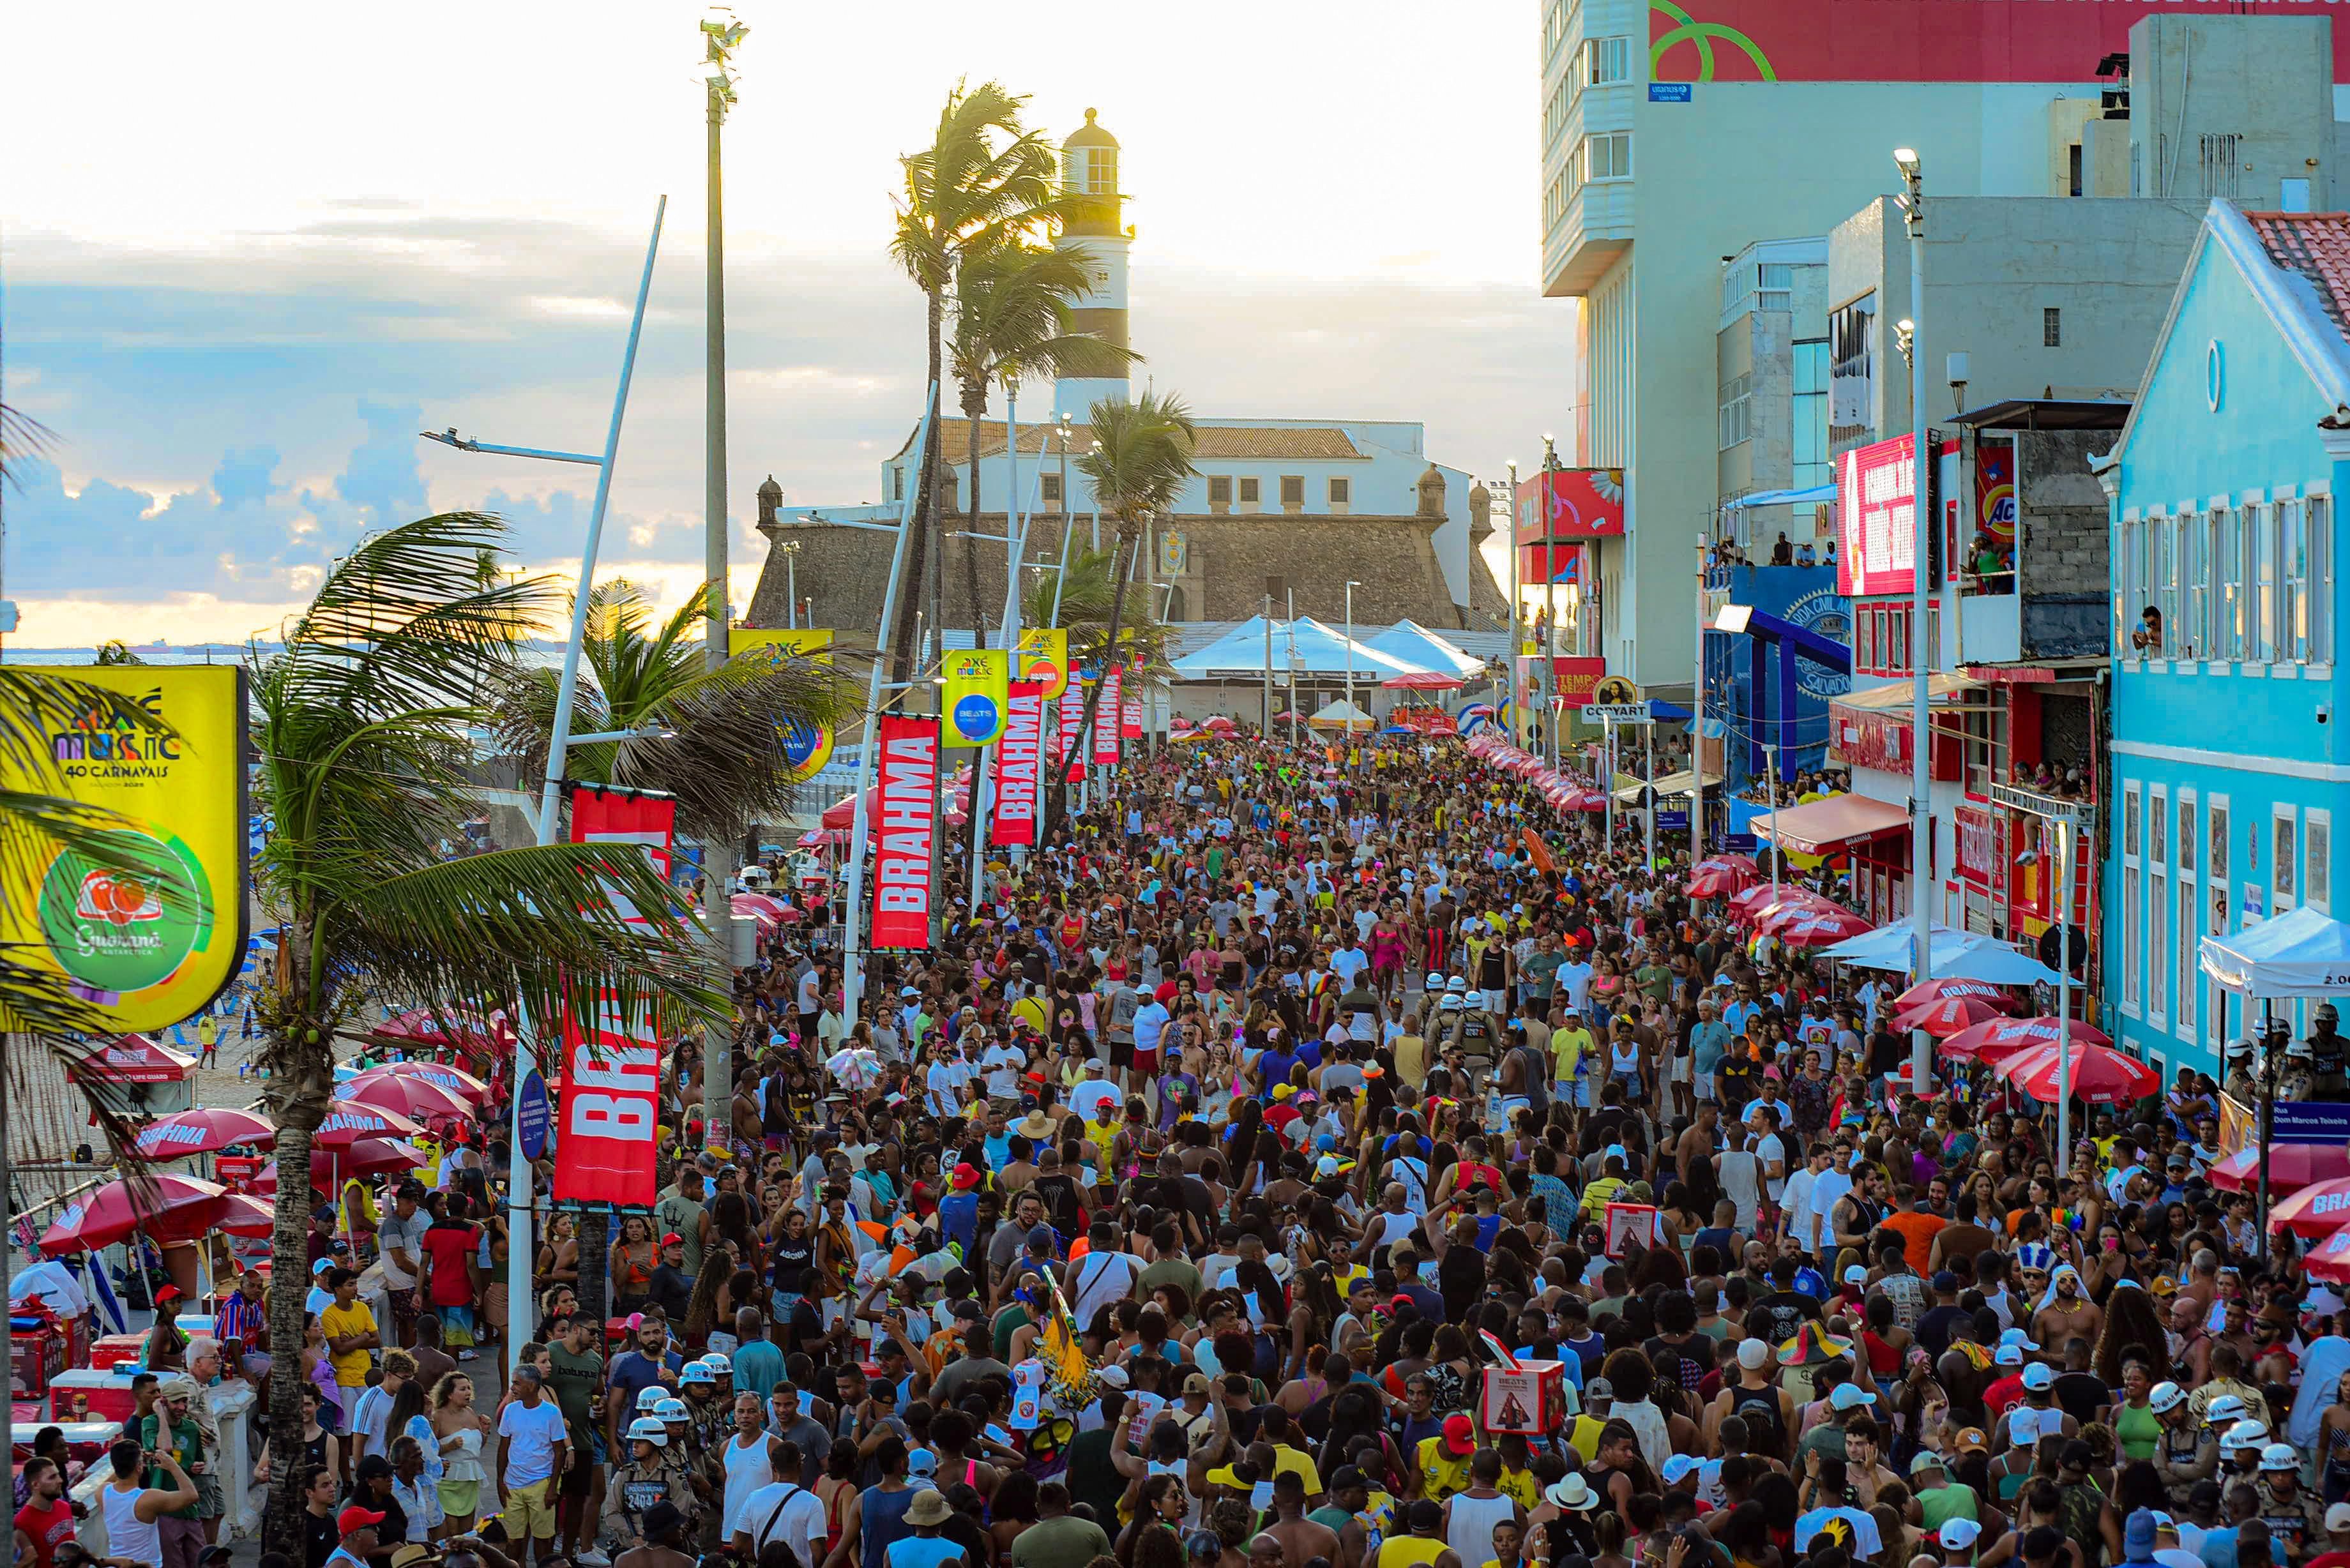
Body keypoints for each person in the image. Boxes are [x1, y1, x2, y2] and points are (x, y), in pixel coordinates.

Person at [495, 1366, 569, 1566]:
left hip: (541, 1484)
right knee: (513, 1541)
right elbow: (503, 1447)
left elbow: (559, 1452)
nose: (512, 1388)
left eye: (517, 1383)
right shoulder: (510, 1410)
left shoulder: (551, 1413)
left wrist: (552, 1488)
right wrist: (500, 1481)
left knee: (543, 1541)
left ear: (532, 1385)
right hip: (513, 1485)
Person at [99, 1438, 198, 1568]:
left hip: (117, 1564)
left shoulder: (102, 1492)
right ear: (139, 1467)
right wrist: (173, 1466)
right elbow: (191, 1495)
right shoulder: (148, 1498)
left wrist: (129, 1462)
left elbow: (117, 1476)